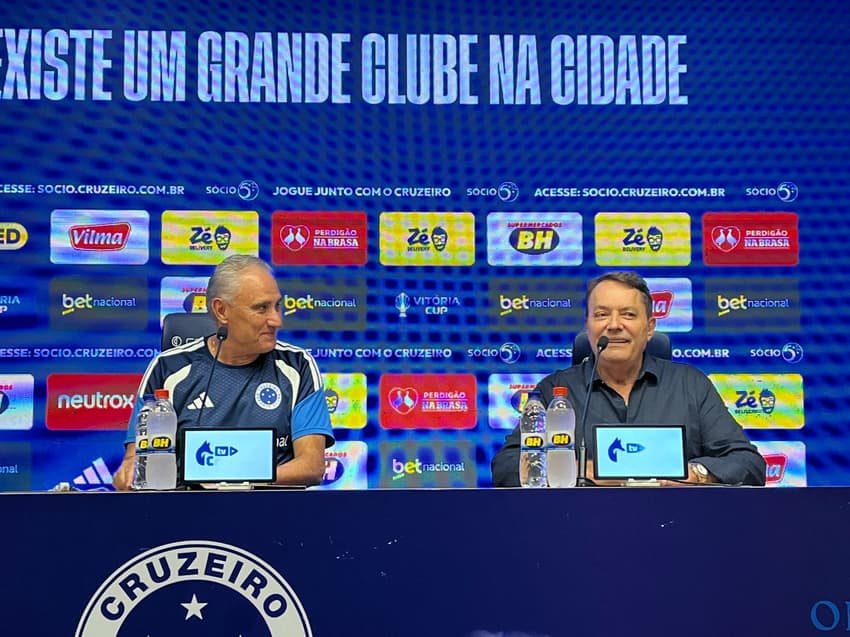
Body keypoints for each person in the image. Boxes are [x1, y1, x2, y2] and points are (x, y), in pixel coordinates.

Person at [491, 271, 765, 487]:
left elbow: (748, 463)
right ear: (588, 326)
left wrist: (694, 474)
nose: (614, 324)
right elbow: (505, 466)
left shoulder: (689, 384)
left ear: (650, 328)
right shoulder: (555, 392)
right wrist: (575, 469)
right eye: (601, 314)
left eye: (628, 314)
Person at [113, 254, 334, 489]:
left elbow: (311, 466)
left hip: (272, 514)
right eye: (261, 308)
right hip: (186, 515)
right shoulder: (168, 369)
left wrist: (233, 482)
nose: (276, 320)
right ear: (221, 311)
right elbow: (136, 461)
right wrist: (129, 471)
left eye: (277, 306)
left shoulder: (297, 366)